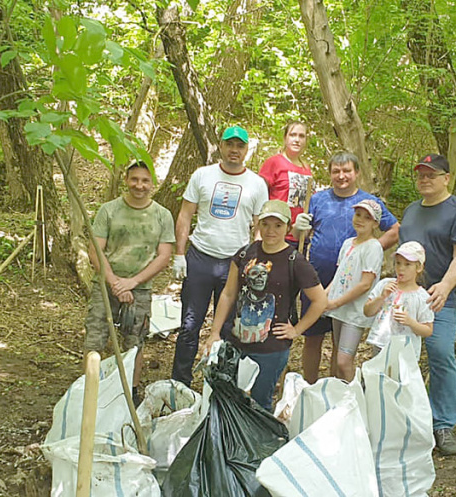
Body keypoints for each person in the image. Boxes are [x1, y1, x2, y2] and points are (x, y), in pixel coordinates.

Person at [201, 200, 327, 410]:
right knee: (230, 397)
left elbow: (320, 300)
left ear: (288, 228)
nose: (271, 230)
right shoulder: (244, 254)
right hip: (237, 342)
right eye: (266, 224)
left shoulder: (294, 261)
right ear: (258, 225)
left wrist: (296, 330)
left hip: (271, 347)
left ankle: (262, 441)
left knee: (261, 400)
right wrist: (215, 332)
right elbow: (229, 294)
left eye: (278, 225)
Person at [171, 125, 269, 386]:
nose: (234, 150)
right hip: (200, 257)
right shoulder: (203, 176)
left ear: (246, 150)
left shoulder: (257, 184)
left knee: (227, 328)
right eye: (230, 144)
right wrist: (179, 254)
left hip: (235, 262)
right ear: (221, 146)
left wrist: (254, 262)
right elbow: (185, 214)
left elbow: (259, 227)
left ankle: (219, 385)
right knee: (190, 325)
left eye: (240, 146)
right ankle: (180, 383)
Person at [291, 151, 400, 384]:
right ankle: (310, 387)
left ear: (357, 172)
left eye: (347, 171)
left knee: (340, 345)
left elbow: (394, 230)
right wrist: (296, 228)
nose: (341, 176)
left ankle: (336, 388)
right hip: (318, 280)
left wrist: (370, 249)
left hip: (353, 285)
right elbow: (298, 236)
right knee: (312, 335)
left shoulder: (369, 203)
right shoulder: (317, 199)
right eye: (336, 171)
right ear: (330, 174)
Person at [399, 153, 456, 456]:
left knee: (441, 354)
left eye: (431, 174)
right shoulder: (410, 211)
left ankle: (443, 424)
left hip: (438, 298)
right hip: (406, 297)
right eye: (420, 174)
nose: (425, 179)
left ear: (446, 178)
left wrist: (445, 286)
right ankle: (402, 419)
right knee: (398, 355)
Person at [85, 161, 175, 396]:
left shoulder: (162, 215)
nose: (139, 185)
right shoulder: (109, 210)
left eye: (145, 181)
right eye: (134, 179)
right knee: (95, 339)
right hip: (105, 287)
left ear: (152, 184)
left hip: (140, 290)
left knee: (135, 344)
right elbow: (95, 250)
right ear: (126, 180)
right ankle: (90, 392)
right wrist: (114, 282)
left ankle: (130, 394)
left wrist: (132, 283)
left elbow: (164, 255)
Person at [323, 199, 384, 381]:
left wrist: (336, 302)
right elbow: (340, 275)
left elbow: (365, 283)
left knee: (344, 360)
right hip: (338, 308)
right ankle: (338, 393)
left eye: (367, 218)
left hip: (355, 311)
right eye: (358, 215)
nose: (360, 220)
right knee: (337, 354)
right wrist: (324, 296)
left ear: (375, 224)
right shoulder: (348, 243)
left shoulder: (373, 247)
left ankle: (354, 396)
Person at [363, 241, 434, 361]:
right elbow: (367, 311)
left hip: (406, 350)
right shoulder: (384, 284)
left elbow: (427, 330)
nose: (401, 268)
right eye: (398, 263)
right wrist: (381, 297)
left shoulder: (422, 297)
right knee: (378, 376)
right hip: (381, 344)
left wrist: (410, 322)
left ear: (419, 267)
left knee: (400, 379)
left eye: (407, 264)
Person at [258, 121, 312, 245]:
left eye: (301, 136)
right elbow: (260, 196)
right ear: (285, 138)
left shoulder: (306, 169)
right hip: (276, 234)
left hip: (299, 236)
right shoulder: (274, 163)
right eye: (293, 135)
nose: (297, 140)